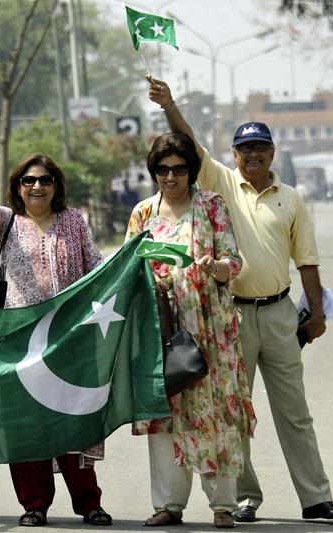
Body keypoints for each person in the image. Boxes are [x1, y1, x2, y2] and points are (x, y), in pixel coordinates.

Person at [147, 75, 333, 522]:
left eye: (261, 148)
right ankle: (245, 498)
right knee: (234, 410)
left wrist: (316, 312)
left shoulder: (292, 199)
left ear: (273, 153)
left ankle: (316, 497)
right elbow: (190, 144)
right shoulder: (220, 184)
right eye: (245, 149)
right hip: (229, 318)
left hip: (278, 313)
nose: (253, 155)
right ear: (234, 155)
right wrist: (169, 105)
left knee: (294, 411)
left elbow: (307, 261)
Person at [0, 138, 112, 528]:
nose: (37, 187)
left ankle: (89, 503)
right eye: (29, 180)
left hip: (69, 340)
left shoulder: (73, 221)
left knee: (74, 421)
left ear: (56, 185)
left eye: (45, 179)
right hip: (20, 342)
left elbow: (96, 267)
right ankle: (34, 504)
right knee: (26, 423)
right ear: (18, 186)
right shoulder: (7, 223)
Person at [126, 132, 256, 529]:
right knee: (166, 413)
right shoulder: (143, 214)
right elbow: (129, 267)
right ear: (154, 172)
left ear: (191, 171)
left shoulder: (211, 206)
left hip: (208, 328)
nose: (170, 177)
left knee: (214, 410)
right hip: (160, 328)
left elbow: (233, 262)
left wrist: (214, 267)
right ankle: (168, 504)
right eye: (163, 169)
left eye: (179, 169)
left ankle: (223, 504)